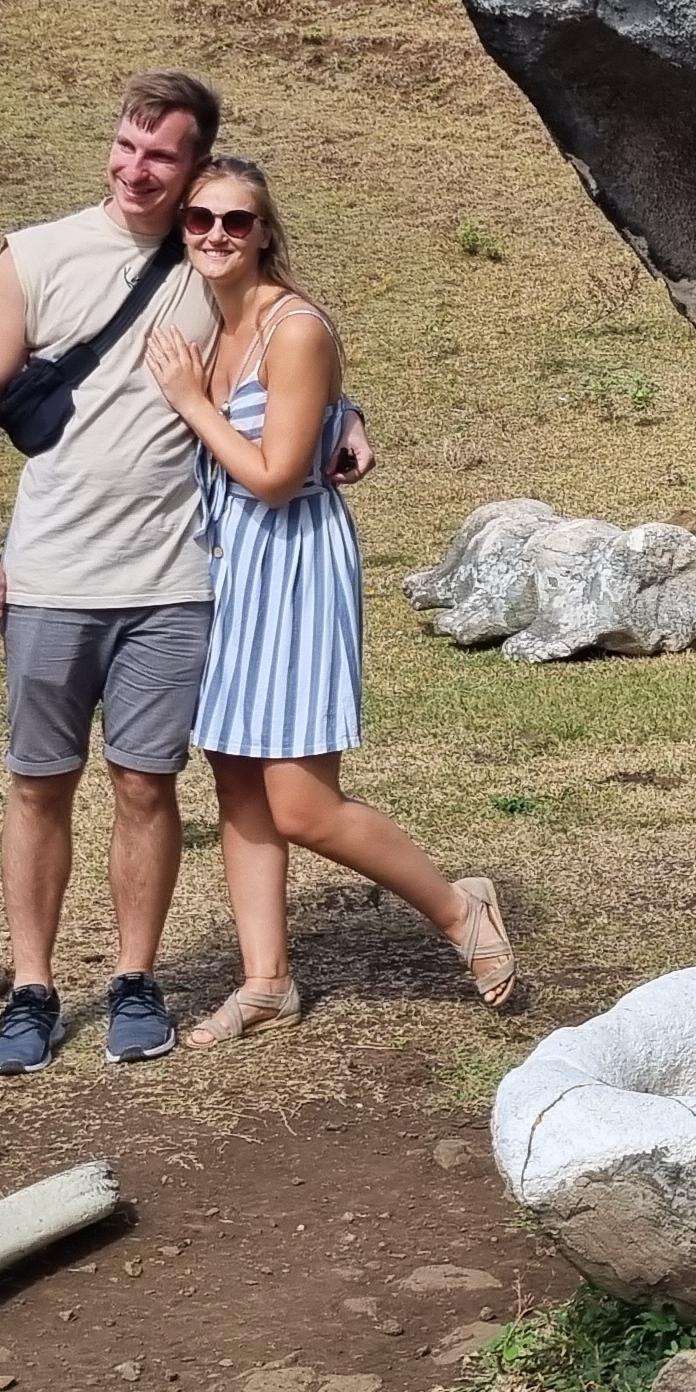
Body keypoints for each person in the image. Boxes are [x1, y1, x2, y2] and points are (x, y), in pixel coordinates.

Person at [0, 73, 372, 1075]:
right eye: (127, 146)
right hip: (52, 573)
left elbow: (286, 344)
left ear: (195, 168)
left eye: (162, 156)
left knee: (146, 784)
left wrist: (345, 415)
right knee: (39, 784)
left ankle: (135, 981)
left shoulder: (206, 257)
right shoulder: (35, 254)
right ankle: (32, 989)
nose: (137, 170)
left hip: (175, 581)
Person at [142, 155, 518, 1044]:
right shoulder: (205, 317)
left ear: (265, 231)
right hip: (223, 567)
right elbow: (308, 413)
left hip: (291, 563)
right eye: (200, 219)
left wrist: (192, 402)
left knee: (301, 804)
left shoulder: (294, 327)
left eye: (237, 221)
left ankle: (458, 908)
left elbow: (276, 477)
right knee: (236, 778)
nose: (216, 235)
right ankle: (266, 980)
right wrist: (346, 414)